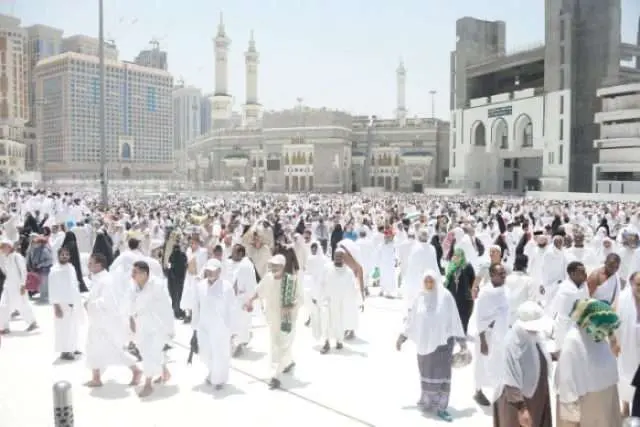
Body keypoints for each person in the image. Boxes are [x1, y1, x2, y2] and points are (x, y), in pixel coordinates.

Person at [396, 269, 467, 422]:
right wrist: (402, 336)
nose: (429, 284)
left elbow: (455, 319)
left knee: (442, 377)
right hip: (424, 345)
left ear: (436, 281)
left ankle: (441, 407)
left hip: (443, 345)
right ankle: (427, 402)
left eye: (431, 281)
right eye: (426, 281)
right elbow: (411, 320)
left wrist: (462, 342)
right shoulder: (419, 298)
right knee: (427, 374)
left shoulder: (445, 297)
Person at [556, 298, 622, 426]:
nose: (605, 330)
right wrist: (571, 418)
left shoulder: (598, 338)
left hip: (604, 403)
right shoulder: (573, 341)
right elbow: (566, 382)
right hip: (584, 405)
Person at [244, 254, 303, 389]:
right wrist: (250, 300)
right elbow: (259, 291)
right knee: (278, 345)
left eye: (276, 266)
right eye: (272, 265)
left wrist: (292, 305)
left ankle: (275, 376)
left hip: (288, 319)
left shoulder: (291, 281)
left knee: (281, 346)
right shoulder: (268, 278)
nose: (273, 268)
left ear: (283, 267)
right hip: (273, 319)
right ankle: (288, 363)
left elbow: (300, 298)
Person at [84, 253, 141, 388]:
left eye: (91, 263)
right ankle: (96, 377)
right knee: (94, 348)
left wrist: (89, 304)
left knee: (112, 350)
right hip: (98, 321)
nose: (88, 265)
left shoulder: (106, 280)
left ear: (99, 265)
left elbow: (107, 302)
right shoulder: (99, 279)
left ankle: (136, 370)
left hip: (104, 322)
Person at [493, 301, 553, 427]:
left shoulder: (534, 336)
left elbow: (536, 356)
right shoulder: (512, 342)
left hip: (536, 398)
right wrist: (522, 408)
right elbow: (510, 379)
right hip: (517, 402)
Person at [129, 260, 174, 397]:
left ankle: (148, 384)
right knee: (145, 351)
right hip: (141, 324)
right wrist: (131, 318)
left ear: (144, 274)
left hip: (156, 325)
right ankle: (165, 372)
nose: (132, 275)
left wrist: (169, 328)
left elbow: (167, 307)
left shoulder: (157, 286)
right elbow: (130, 303)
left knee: (150, 353)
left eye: (135, 272)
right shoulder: (134, 285)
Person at [470, 263, 509, 407]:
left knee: (499, 364)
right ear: (492, 276)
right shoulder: (485, 293)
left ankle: (499, 392)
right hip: (486, 336)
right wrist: (483, 341)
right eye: (500, 274)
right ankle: (478, 391)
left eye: (504, 273)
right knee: (482, 364)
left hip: (501, 335)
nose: (504, 276)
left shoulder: (505, 290)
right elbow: (480, 318)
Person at [193, 258, 235, 389]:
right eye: (208, 271)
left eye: (213, 271)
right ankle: (213, 372)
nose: (210, 274)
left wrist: (232, 330)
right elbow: (196, 306)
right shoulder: (200, 286)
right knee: (205, 353)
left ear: (219, 271)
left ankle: (219, 379)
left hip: (220, 327)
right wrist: (195, 325)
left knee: (220, 353)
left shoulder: (227, 287)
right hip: (204, 325)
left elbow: (232, 309)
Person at [318, 248, 355, 354]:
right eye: (336, 256)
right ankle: (326, 342)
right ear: (333, 256)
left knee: (339, 322)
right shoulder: (327, 268)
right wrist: (318, 297)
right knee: (325, 320)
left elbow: (352, 287)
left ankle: (339, 340)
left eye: (340, 256)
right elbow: (321, 283)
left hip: (340, 302)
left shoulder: (348, 272)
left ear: (344, 258)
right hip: (327, 300)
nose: (338, 258)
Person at [49, 246, 82, 360]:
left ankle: (72, 347)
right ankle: (65, 351)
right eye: (62, 254)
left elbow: (74, 284)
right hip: (62, 304)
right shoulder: (54, 270)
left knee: (73, 326)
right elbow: (52, 289)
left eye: (66, 254)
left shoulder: (71, 267)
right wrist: (56, 306)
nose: (65, 256)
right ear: (58, 256)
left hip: (73, 302)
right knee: (63, 328)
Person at [0, 237, 38, 334]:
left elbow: (23, 271)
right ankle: (4, 327)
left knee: (21, 305)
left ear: (9, 247)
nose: (3, 249)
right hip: (8, 286)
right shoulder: (4, 258)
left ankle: (32, 322)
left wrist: (22, 285)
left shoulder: (17, 257)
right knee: (3, 306)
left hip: (18, 286)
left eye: (4, 246)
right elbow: (5, 271)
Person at [443, 247, 475, 333]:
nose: (456, 258)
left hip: (465, 298)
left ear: (462, 257)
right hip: (453, 297)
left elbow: (473, 281)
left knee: (464, 318)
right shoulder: (451, 267)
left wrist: (473, 292)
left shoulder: (467, 266)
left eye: (458, 256)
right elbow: (448, 281)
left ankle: (462, 335)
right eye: (455, 256)